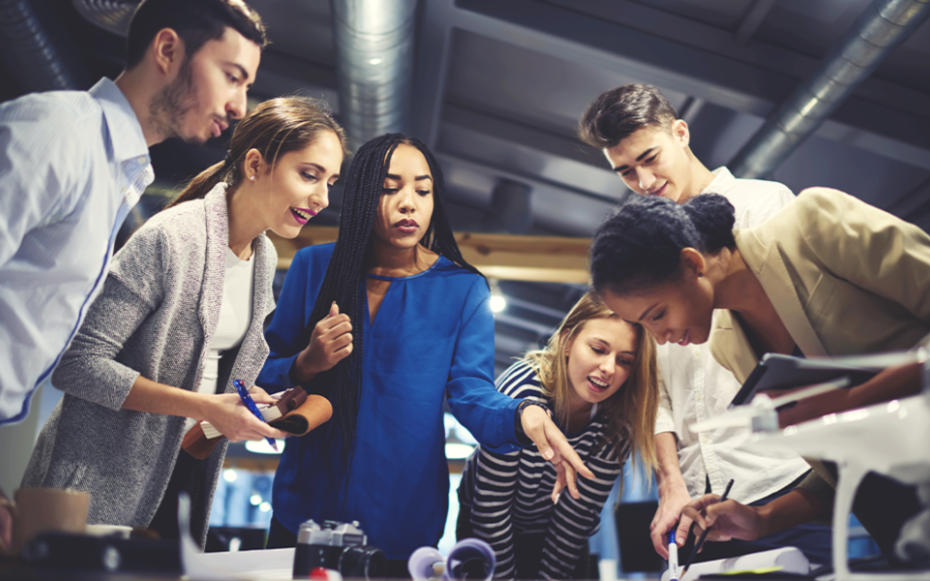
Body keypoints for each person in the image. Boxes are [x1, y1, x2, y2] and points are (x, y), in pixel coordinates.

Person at [258, 133, 594, 574]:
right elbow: (262, 376)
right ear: (361, 194)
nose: (408, 203)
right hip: (303, 510)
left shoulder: (462, 288)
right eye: (389, 187)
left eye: (423, 189)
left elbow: (471, 392)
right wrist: (307, 363)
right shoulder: (313, 267)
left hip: (403, 520)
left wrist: (525, 416)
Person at [20, 96, 347, 547]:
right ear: (255, 163)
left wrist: (249, 400)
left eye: (330, 181)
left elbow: (204, 380)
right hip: (100, 482)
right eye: (308, 175)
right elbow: (78, 365)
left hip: (185, 472)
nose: (322, 198)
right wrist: (205, 406)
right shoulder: (171, 236)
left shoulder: (264, 255)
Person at [588, 187, 929, 559]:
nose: (660, 337)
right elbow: (841, 466)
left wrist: (856, 400)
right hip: (901, 523)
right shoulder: (729, 345)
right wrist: (762, 519)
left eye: (656, 315)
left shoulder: (813, 225)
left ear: (692, 265)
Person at [577, 83, 824, 563]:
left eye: (650, 158)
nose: (644, 180)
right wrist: (669, 484)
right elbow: (656, 393)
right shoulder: (639, 251)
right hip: (699, 501)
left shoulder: (763, 207)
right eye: (625, 171)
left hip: (787, 477)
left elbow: (808, 340)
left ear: (681, 133)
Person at [0, 0, 266, 429]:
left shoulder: (118, 169)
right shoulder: (59, 132)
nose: (240, 106)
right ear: (166, 50)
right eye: (232, 77)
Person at [457, 292, 658, 579]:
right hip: (484, 518)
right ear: (566, 341)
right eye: (598, 349)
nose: (609, 368)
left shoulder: (619, 421)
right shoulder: (523, 389)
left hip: (550, 527)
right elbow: (491, 506)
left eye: (625, 361)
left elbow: (575, 519)